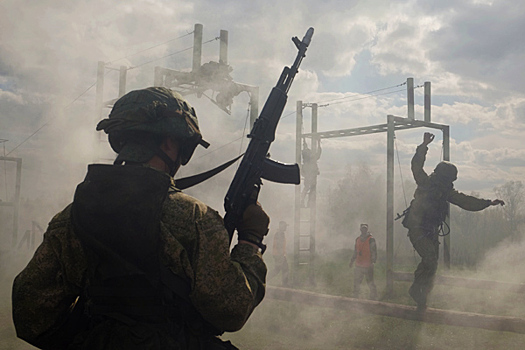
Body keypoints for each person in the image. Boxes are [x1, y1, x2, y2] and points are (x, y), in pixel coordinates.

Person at [12, 87, 270, 349]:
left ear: (122, 140)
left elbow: (31, 312)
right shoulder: (195, 218)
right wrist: (250, 240)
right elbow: (232, 309)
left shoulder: (73, 216)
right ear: (170, 141)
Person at [404, 132, 504, 310]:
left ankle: (422, 298)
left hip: (431, 230)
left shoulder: (445, 191)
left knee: (432, 265)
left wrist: (488, 203)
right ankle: (416, 290)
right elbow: (416, 166)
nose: (449, 183)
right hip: (417, 227)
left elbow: (466, 202)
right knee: (430, 258)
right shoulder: (425, 183)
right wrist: (424, 145)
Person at [349, 224, 377, 299]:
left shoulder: (371, 239)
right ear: (360, 229)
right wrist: (351, 261)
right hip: (358, 265)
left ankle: (373, 297)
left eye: (365, 228)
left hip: (368, 265)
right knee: (356, 282)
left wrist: (373, 262)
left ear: (367, 230)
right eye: (362, 228)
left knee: (370, 282)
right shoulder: (357, 239)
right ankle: (355, 296)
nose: (363, 230)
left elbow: (373, 251)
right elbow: (355, 251)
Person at [300, 139, 322, 207]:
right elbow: (318, 153)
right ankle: (307, 202)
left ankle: (304, 201)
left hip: (308, 175)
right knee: (311, 189)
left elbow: (318, 153)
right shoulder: (312, 159)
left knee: (307, 188)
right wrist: (318, 143)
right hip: (311, 175)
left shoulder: (306, 160)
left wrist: (304, 142)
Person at [270, 220, 289, 286]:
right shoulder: (280, 234)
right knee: (284, 268)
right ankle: (285, 284)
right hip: (279, 255)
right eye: (285, 226)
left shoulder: (279, 233)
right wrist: (281, 255)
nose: (286, 228)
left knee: (278, 269)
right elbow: (278, 245)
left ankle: (266, 279)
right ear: (282, 227)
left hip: (278, 254)